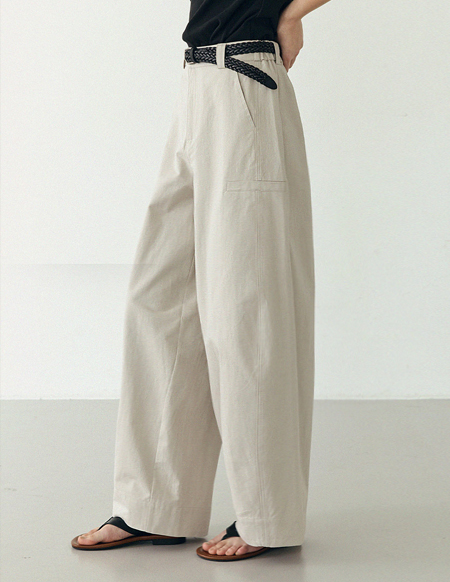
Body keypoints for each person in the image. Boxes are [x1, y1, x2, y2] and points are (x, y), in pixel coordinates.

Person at [71, 0, 332, 562]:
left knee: (246, 308)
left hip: (245, 79)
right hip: (198, 82)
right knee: (161, 302)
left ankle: (267, 514)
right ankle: (154, 506)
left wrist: (292, 15)